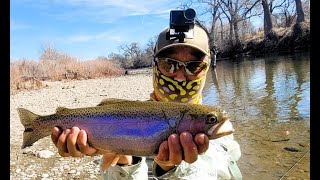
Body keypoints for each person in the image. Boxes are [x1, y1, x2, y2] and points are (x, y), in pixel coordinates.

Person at [51, 25, 242, 179]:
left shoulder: (218, 129)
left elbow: (219, 171)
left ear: (206, 69)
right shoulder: (125, 118)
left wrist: (173, 169)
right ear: (155, 66)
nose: (181, 78)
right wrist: (124, 162)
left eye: (194, 66)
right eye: (169, 65)